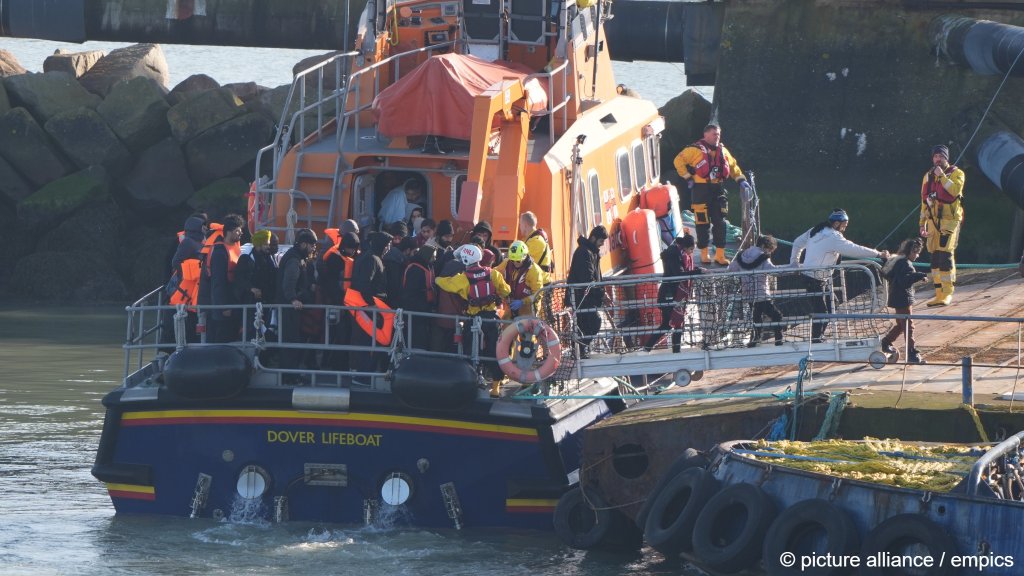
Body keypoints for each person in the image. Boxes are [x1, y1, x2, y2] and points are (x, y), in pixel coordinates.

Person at [790, 209, 889, 342]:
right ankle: (816, 339)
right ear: (836, 223)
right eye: (844, 225)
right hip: (814, 279)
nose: (845, 228)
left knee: (833, 304)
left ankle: (818, 336)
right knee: (822, 311)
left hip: (817, 278)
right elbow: (854, 249)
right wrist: (878, 254)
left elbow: (797, 242)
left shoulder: (816, 230)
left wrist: (794, 262)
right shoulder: (833, 237)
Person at [673, 123, 752, 265]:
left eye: (719, 134)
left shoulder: (723, 151)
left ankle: (720, 255)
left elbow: (733, 167)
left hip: (718, 189)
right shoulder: (693, 150)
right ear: (706, 135)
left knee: (720, 222)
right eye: (714, 134)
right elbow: (678, 161)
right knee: (702, 223)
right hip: (700, 190)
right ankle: (704, 254)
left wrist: (741, 180)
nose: (717, 137)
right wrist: (688, 177)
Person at [436, 244, 511, 379]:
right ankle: (496, 381)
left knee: (470, 350)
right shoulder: (493, 273)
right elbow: (506, 290)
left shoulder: (462, 278)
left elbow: (444, 283)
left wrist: (436, 278)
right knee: (494, 350)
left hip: (473, 319)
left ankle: (471, 377)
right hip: (491, 318)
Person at [919, 144, 965, 307]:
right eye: (936, 156)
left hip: (949, 222)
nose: (938, 159)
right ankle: (938, 293)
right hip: (933, 222)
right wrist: (922, 224)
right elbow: (924, 202)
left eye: (941, 156)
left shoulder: (958, 173)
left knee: (945, 256)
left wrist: (942, 177)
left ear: (946, 158)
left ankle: (948, 293)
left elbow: (954, 191)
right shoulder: (927, 176)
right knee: (935, 258)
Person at [643, 234, 705, 352]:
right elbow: (678, 274)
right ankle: (666, 349)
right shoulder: (674, 255)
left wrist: (697, 270)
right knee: (671, 324)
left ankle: (658, 348)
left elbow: (683, 270)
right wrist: (697, 272)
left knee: (674, 324)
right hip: (669, 294)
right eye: (691, 249)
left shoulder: (678, 254)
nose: (691, 252)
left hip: (672, 294)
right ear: (685, 247)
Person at [348, 231, 392, 376]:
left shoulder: (368, 257)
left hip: (364, 306)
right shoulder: (372, 259)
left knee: (364, 340)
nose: (388, 248)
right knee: (366, 341)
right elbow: (364, 284)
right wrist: (371, 304)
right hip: (368, 308)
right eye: (387, 245)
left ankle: (360, 372)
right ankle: (362, 375)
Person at [277, 228, 318, 383]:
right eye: (312, 244)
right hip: (289, 308)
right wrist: (293, 299)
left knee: (292, 340)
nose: (314, 247)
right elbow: (289, 282)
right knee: (290, 341)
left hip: (291, 307)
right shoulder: (294, 260)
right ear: (303, 244)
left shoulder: (296, 257)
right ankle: (288, 376)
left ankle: (291, 374)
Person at [728, 234, 784, 346]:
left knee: (756, 317)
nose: (770, 252)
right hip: (761, 293)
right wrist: (792, 268)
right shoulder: (763, 257)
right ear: (763, 246)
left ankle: (755, 340)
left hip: (748, 293)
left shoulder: (743, 255)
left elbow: (731, 268)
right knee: (777, 315)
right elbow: (774, 271)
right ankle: (778, 340)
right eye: (770, 249)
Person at [880, 238, 929, 364]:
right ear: (911, 252)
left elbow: (889, 274)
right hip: (903, 299)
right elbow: (904, 281)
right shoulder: (906, 264)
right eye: (917, 253)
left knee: (901, 325)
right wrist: (920, 275)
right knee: (908, 325)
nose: (917, 256)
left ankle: (886, 342)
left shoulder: (896, 261)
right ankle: (911, 353)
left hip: (896, 298)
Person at [566, 225, 609, 358]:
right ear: (594, 238)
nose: (602, 244)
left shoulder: (591, 252)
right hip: (582, 297)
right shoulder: (584, 253)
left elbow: (594, 277)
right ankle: (579, 350)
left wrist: (601, 291)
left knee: (583, 325)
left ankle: (579, 350)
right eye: (601, 241)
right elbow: (587, 278)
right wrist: (602, 294)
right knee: (593, 322)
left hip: (585, 296)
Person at [204, 214, 245, 343]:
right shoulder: (220, 252)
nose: (241, 233)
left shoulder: (235, 248)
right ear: (229, 232)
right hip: (223, 309)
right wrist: (223, 307)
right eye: (238, 231)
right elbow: (218, 283)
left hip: (233, 302)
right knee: (221, 340)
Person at [233, 229, 278, 342]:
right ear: (259, 244)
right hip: (251, 304)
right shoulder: (246, 258)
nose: (268, 247)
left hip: (265, 303)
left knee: (264, 333)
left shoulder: (269, 258)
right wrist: (251, 288)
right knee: (251, 332)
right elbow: (239, 278)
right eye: (266, 244)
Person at [496, 240, 545, 318]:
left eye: (518, 261)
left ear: (525, 257)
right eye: (513, 261)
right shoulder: (506, 263)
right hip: (510, 306)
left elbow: (538, 294)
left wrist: (522, 302)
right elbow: (495, 273)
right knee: (505, 323)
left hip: (529, 309)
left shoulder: (534, 271)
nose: (515, 263)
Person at [402, 246, 438, 350]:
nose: (434, 259)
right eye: (433, 257)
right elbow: (411, 292)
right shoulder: (416, 270)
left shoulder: (425, 267)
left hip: (423, 308)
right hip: (416, 310)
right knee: (417, 336)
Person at [384, 236, 418, 308]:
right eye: (414, 252)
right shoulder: (395, 263)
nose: (414, 255)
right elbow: (394, 287)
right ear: (408, 250)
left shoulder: (393, 258)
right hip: (392, 305)